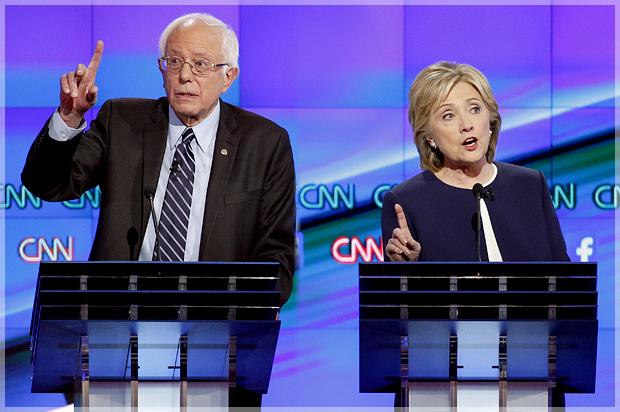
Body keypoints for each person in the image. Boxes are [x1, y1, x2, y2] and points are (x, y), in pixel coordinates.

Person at [21, 12, 296, 308]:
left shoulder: (264, 144)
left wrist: (236, 316)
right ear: (162, 71)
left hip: (212, 322)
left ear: (228, 77)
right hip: (116, 318)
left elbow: (276, 259)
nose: (185, 75)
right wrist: (70, 117)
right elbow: (48, 185)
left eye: (200, 64)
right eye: (174, 62)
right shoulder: (122, 122)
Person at [382, 61, 569, 263]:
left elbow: (564, 276)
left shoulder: (530, 185)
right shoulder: (406, 202)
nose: (466, 125)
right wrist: (406, 268)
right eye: (448, 115)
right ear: (429, 136)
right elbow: (396, 282)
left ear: (490, 119)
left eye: (474, 109)